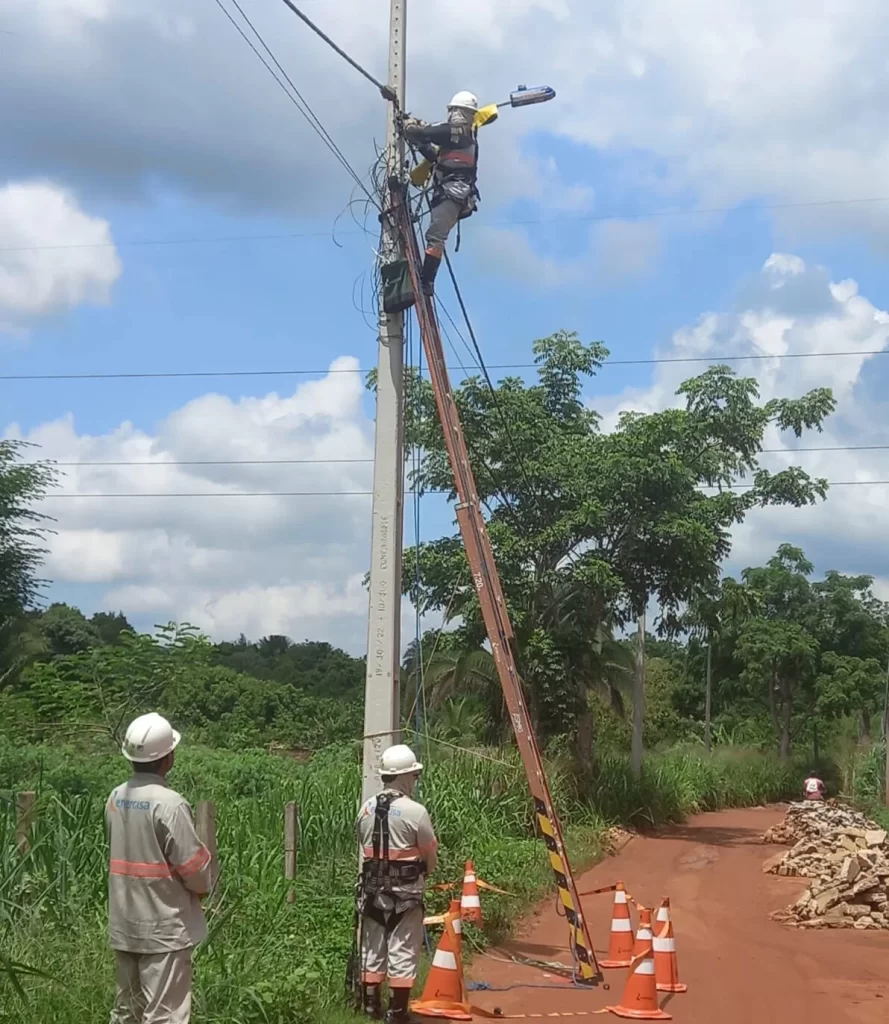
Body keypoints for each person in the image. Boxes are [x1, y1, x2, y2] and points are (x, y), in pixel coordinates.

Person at [106, 712, 212, 1024]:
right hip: (164, 927)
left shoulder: (116, 797)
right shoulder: (170, 804)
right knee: (165, 1016)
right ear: (167, 758)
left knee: (127, 1012)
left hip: (125, 922)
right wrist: (202, 889)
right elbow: (194, 869)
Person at [356, 744, 438, 1022]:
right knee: (402, 948)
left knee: (372, 946)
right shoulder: (416, 812)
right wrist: (424, 873)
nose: (415, 781)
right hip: (406, 893)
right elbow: (430, 853)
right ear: (404, 776)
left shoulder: (366, 809)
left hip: (372, 892)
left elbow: (364, 847)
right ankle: (397, 1012)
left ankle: (370, 1007)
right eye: (414, 776)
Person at [403, 91, 480, 296]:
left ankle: (426, 281)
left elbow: (430, 132)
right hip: (453, 193)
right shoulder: (461, 138)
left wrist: (411, 127)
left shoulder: (458, 132)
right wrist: (419, 140)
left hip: (453, 193)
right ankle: (426, 280)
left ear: (457, 111)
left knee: (435, 237)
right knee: (435, 236)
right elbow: (434, 155)